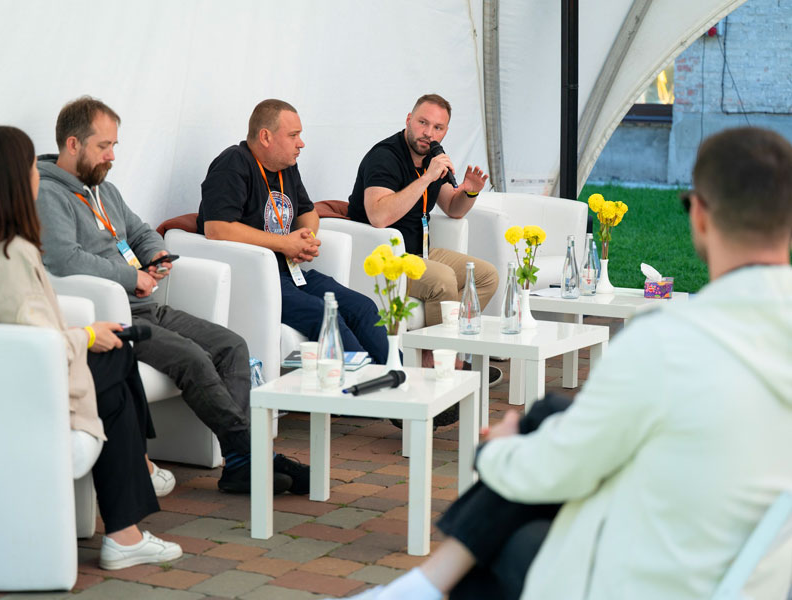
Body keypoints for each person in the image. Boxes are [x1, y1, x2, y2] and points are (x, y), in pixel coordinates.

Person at [339, 126, 792, 599]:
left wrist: (499, 451)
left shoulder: (667, 342)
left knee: (507, 536)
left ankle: (424, 585)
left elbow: (561, 471)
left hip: (648, 579)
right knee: (548, 413)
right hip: (751, 575)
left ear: (699, 215)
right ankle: (426, 583)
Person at [0, 125, 183, 570]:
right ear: (17, 179)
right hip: (5, 392)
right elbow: (31, 348)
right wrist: (88, 336)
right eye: (32, 169)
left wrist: (86, 334)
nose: (39, 175)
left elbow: (0, 328)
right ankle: (127, 525)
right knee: (116, 358)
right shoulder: (9, 251)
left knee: (114, 356)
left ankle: (136, 494)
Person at [36, 96, 308, 495]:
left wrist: (156, 255)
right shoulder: (48, 194)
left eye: (114, 145)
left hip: (146, 306)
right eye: (103, 146)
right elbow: (64, 260)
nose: (112, 156)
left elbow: (141, 231)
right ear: (73, 144)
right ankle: (252, 455)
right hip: (113, 317)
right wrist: (131, 277)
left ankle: (239, 465)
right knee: (193, 358)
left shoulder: (104, 190)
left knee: (232, 345)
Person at [198, 99, 388, 364]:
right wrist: (284, 243)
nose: (301, 143)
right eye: (293, 135)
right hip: (257, 279)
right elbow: (217, 228)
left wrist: (305, 238)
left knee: (363, 307)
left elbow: (308, 212)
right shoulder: (233, 163)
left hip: (291, 272)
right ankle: (362, 384)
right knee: (323, 314)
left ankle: (396, 376)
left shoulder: (286, 166)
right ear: (266, 137)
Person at [348, 93, 501, 380]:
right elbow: (378, 216)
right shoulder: (384, 157)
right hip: (388, 258)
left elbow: (453, 208)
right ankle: (445, 364)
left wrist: (469, 191)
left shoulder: (432, 158)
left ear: (445, 131)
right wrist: (427, 177)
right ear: (409, 120)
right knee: (443, 279)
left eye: (437, 127)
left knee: (485, 275)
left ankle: (437, 354)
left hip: (422, 253)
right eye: (422, 123)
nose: (428, 133)